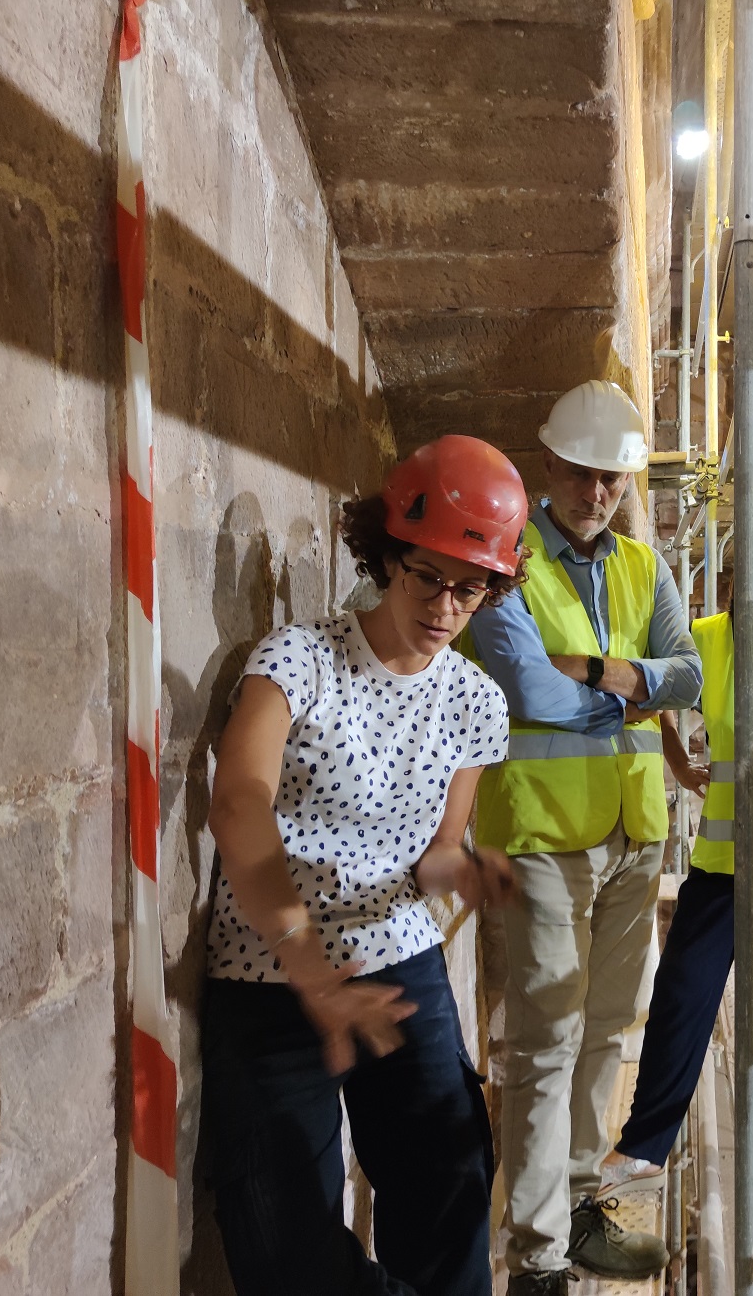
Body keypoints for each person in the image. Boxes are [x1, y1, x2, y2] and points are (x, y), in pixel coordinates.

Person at [201, 435, 525, 1296]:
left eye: (472, 587)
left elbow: (437, 850)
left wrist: (462, 872)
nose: (446, 606)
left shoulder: (474, 702)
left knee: (450, 1186)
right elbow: (238, 803)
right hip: (268, 974)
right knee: (282, 1241)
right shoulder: (298, 662)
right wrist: (310, 971)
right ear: (386, 554)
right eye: (427, 576)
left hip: (394, 965)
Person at [462, 380, 702, 1295]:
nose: (597, 491)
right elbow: (528, 691)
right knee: (543, 1040)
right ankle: (533, 1253)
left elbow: (685, 677)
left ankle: (575, 1208)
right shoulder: (505, 561)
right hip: (545, 836)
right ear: (548, 465)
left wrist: (604, 672)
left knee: (606, 1032)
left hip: (638, 831)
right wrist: (628, 694)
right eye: (582, 471)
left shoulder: (647, 568)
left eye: (613, 478)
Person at [596, 491, 753, 1209]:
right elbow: (647, 698)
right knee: (682, 995)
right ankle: (645, 1145)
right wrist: (677, 761)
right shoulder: (707, 636)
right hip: (723, 855)